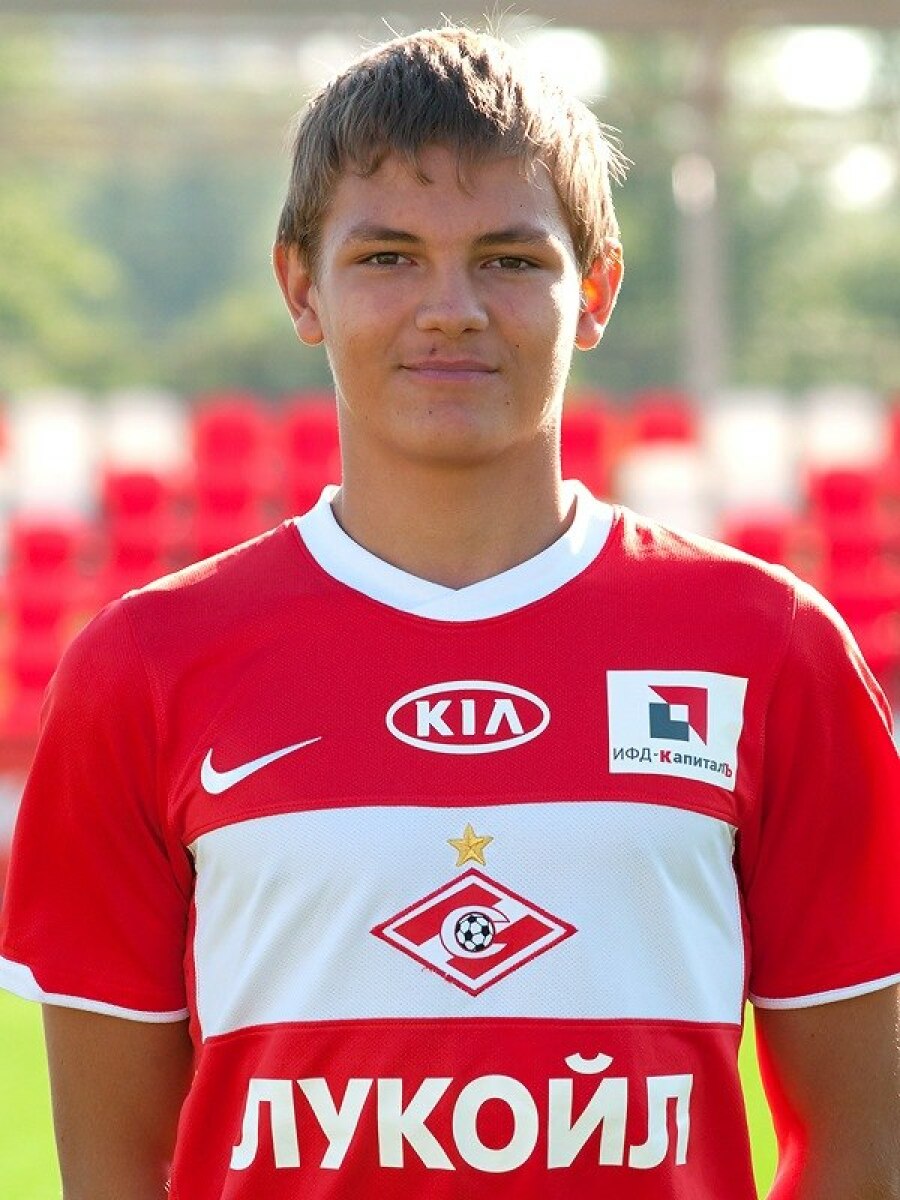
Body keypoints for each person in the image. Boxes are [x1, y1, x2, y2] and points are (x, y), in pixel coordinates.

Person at [1, 23, 899, 1200]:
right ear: (300, 287)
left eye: (510, 260)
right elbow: (117, 1169)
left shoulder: (769, 648)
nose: (452, 308)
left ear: (596, 290)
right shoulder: (145, 667)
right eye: (388, 256)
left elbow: (859, 1154)